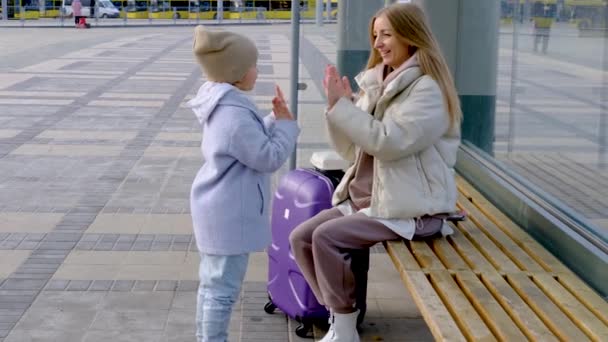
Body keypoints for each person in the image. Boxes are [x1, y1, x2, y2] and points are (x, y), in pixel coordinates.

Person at [289, 3, 461, 342]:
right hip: (371, 198)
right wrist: (335, 108)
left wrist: (344, 110)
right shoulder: (377, 82)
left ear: (411, 36)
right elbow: (352, 150)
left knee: (327, 237)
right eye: (375, 35)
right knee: (302, 238)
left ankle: (345, 328)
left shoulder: (427, 90)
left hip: (411, 207)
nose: (378, 43)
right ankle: (340, 314)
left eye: (387, 34)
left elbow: (388, 142)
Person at [187, 25, 300, 342]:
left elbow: (244, 143)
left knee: (212, 285)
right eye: (253, 65)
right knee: (221, 290)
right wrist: (287, 127)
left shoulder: (224, 104)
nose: (257, 70)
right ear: (235, 71)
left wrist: (273, 120)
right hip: (228, 213)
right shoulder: (233, 113)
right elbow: (267, 157)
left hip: (217, 207)